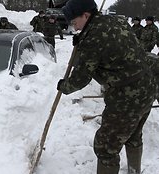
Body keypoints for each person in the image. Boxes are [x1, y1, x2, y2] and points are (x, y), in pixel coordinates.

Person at [58, 0, 158, 173]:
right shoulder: (117, 21)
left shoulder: (93, 38)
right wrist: (82, 40)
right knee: (133, 135)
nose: (74, 28)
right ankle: (135, 171)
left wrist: (64, 86)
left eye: (74, 22)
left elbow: (81, 78)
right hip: (147, 86)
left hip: (126, 97)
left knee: (106, 147)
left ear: (86, 15)